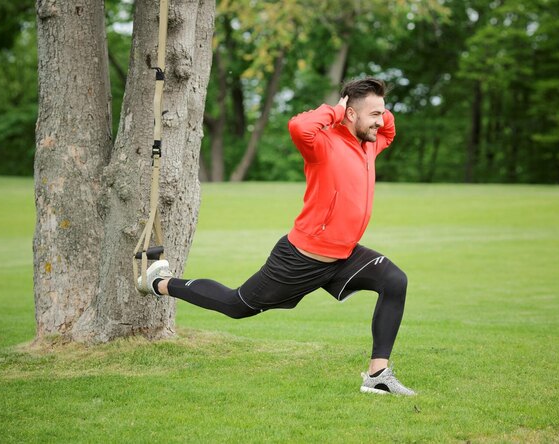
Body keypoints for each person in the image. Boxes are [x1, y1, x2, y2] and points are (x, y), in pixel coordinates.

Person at [138, 77, 415, 396]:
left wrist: (373, 103)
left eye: (383, 113)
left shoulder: (371, 142)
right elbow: (299, 127)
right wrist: (339, 109)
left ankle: (377, 374)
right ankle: (159, 282)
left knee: (395, 281)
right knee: (237, 304)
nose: (382, 121)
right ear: (349, 114)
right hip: (301, 258)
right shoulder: (323, 143)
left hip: (344, 255)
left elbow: (389, 127)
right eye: (375, 114)